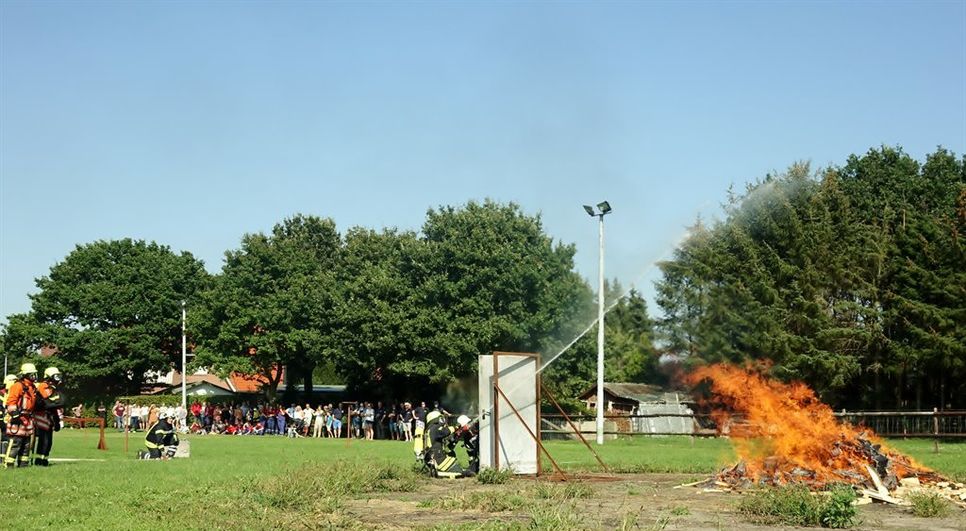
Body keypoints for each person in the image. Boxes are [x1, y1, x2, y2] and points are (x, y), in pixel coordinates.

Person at [4, 363, 39, 468]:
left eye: (34, 374)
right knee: (16, 442)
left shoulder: (32, 387)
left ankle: (23, 464)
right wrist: (15, 415)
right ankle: (9, 464)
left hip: (28, 418)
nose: (34, 376)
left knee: (26, 443)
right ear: (25, 375)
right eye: (31, 374)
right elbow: (11, 401)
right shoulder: (18, 386)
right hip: (18, 418)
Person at [32, 367, 65, 466]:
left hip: (49, 415)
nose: (58, 378)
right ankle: (38, 461)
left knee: (48, 441)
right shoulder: (43, 386)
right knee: (44, 440)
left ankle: (44, 459)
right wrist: (57, 401)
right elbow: (50, 402)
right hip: (41, 415)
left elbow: (56, 405)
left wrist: (57, 421)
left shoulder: (54, 388)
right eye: (56, 376)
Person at [423, 410, 464, 479]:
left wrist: (456, 437)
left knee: (452, 455)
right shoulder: (435, 428)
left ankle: (437, 471)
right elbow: (445, 432)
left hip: (432, 458)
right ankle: (441, 473)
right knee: (458, 471)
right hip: (438, 458)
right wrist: (456, 427)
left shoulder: (429, 430)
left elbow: (446, 443)